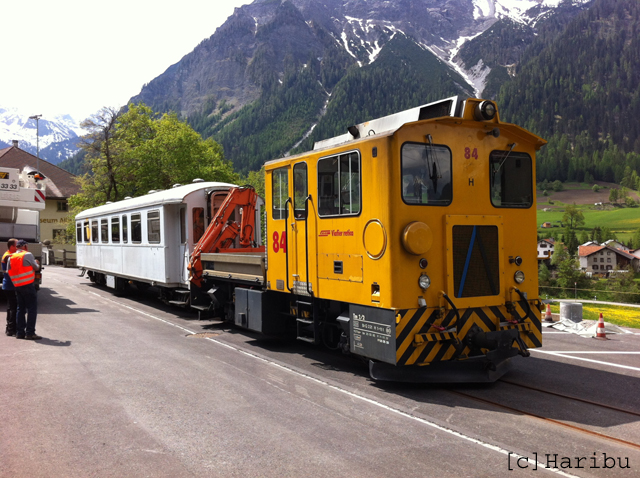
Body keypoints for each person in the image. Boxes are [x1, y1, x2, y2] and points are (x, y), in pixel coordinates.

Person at [8, 240, 41, 340]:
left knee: (20, 309)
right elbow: (36, 268)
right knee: (32, 309)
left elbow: (9, 270)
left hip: (17, 285)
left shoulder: (11, 257)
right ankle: (30, 333)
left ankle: (20, 332)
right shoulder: (28, 254)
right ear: (25, 246)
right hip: (28, 285)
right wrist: (36, 263)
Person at [2, 238, 18, 336]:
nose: (19, 247)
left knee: (10, 307)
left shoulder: (8, 254)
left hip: (9, 285)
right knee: (13, 308)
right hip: (10, 285)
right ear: (12, 246)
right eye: (17, 245)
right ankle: (11, 329)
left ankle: (9, 328)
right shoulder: (9, 256)